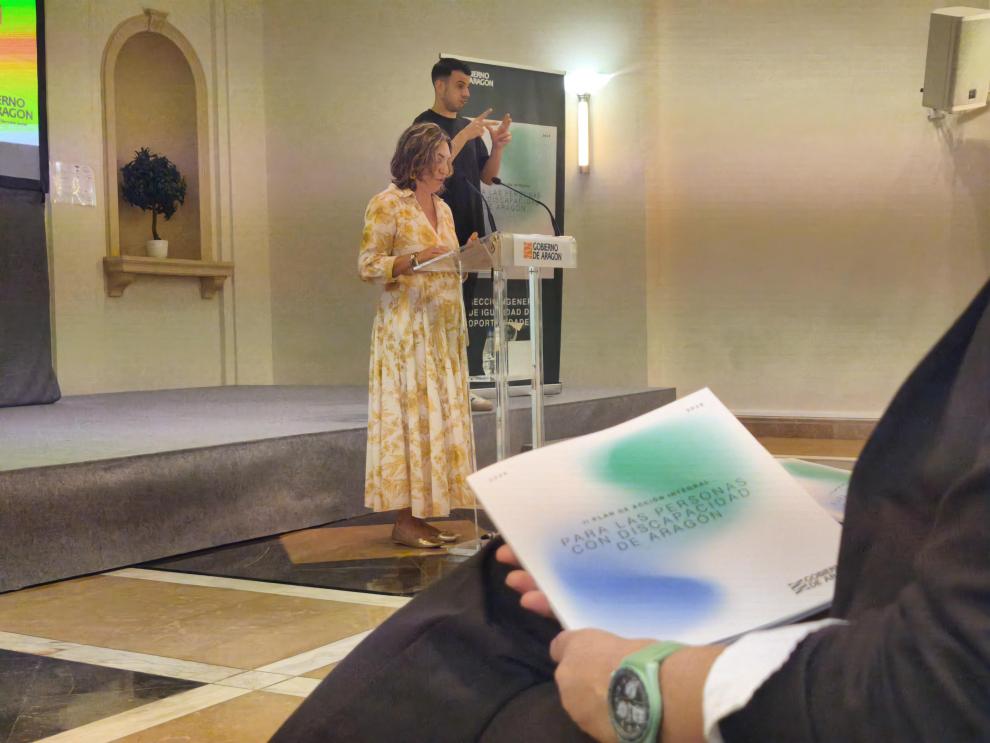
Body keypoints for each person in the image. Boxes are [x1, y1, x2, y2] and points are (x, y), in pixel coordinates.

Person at [275, 275, 990, 741]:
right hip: (885, 592)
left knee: (515, 668)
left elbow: (943, 690)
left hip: (865, 681)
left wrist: (643, 688)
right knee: (523, 581)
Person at [358, 122, 476, 549]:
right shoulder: (387, 203)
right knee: (410, 420)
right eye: (440, 159)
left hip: (441, 332)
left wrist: (468, 256)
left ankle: (424, 516)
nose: (447, 167)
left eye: (448, 160)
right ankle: (404, 520)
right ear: (417, 158)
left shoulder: (444, 210)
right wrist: (413, 259)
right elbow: (368, 265)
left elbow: (445, 262)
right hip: (406, 334)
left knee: (434, 423)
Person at [414, 57, 512, 411]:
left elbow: (486, 176)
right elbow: (428, 168)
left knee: (462, 314)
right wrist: (463, 137)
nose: (467, 93)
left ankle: (459, 388)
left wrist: (496, 147)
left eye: (469, 86)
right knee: (436, 313)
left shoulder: (469, 129)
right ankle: (429, 391)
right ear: (439, 85)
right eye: (460, 86)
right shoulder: (424, 126)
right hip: (436, 232)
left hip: (470, 231)